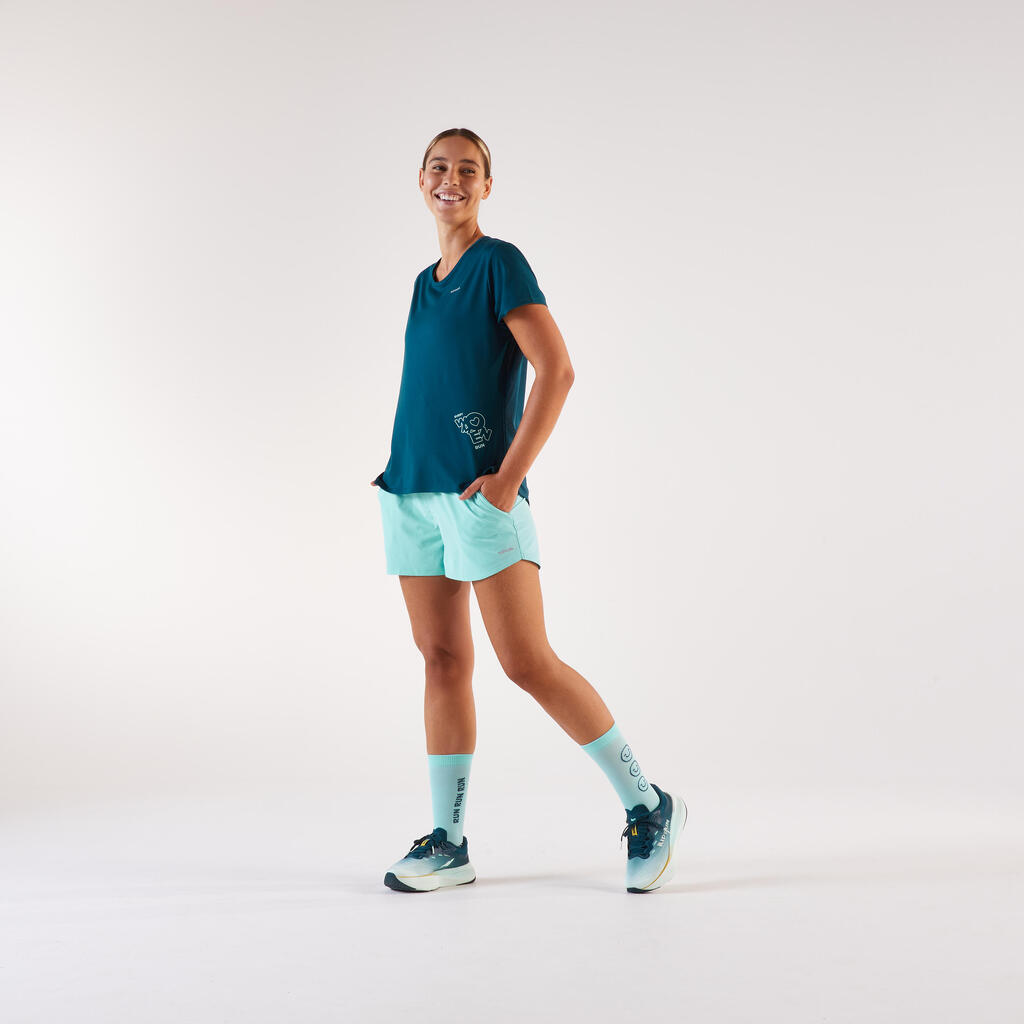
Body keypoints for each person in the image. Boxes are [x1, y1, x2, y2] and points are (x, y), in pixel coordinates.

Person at [371, 128, 686, 894]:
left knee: (526, 662)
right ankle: (449, 842)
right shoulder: (423, 281)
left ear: (486, 186)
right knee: (443, 661)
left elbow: (557, 369)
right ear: (420, 180)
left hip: (479, 496)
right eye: (439, 167)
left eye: (467, 169)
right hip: (411, 491)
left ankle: (648, 803)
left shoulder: (499, 263)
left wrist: (509, 477)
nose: (451, 179)